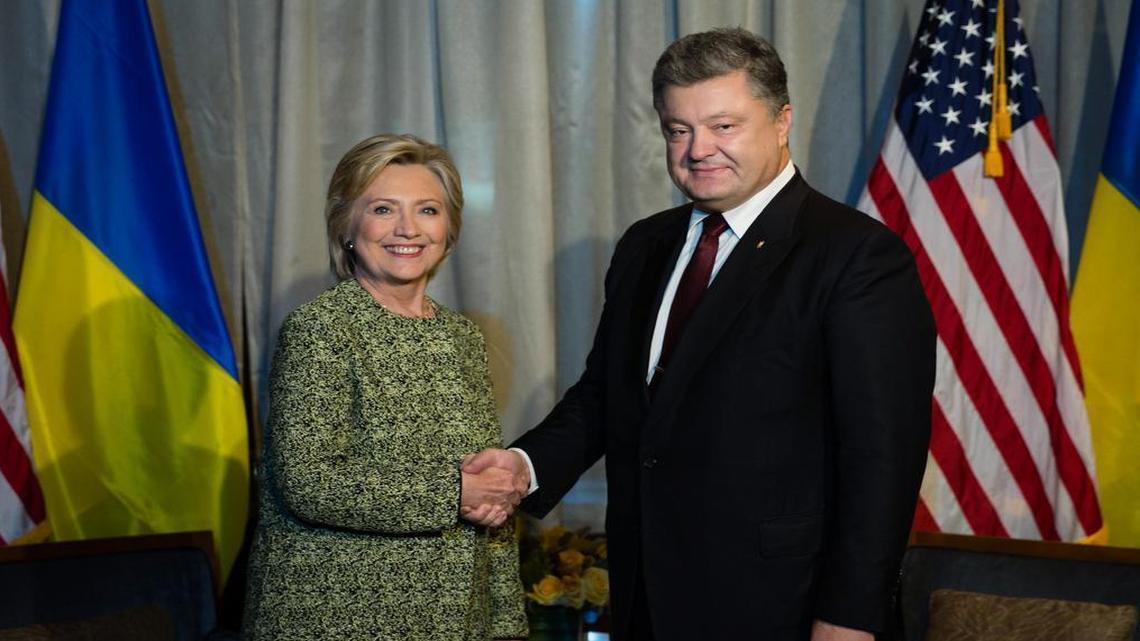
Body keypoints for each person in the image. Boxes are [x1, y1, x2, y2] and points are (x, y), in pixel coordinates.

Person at [463, 28, 936, 641]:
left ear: (782, 121)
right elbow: (607, 396)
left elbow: (882, 459)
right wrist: (522, 466)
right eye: (677, 130)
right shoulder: (645, 245)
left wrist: (849, 617)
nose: (698, 150)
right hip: (645, 593)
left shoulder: (857, 256)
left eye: (723, 126)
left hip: (780, 605)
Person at [242, 134, 528, 641]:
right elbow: (308, 481)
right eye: (382, 209)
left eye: (427, 210)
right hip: (336, 618)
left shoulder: (462, 336)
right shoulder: (320, 329)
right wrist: (454, 493)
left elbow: (489, 496)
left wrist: (505, 622)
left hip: (458, 620)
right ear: (347, 226)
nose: (407, 229)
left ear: (449, 229)